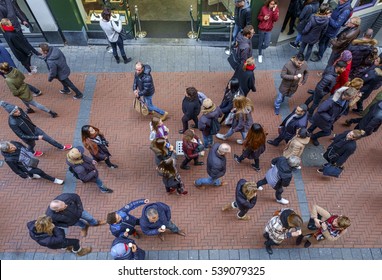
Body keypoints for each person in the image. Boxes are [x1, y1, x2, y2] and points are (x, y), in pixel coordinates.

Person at [0, 101, 72, 156]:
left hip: (35, 129)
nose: (18, 112)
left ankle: (61, 147)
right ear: (11, 113)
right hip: (28, 137)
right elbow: (21, 135)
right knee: (32, 145)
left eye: (17, 110)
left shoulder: (19, 110)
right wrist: (36, 137)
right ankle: (31, 152)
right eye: (15, 112)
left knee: (49, 139)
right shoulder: (12, 123)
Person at [27, 215, 92, 257]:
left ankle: (66, 248)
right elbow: (61, 239)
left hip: (53, 242)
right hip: (57, 242)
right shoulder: (47, 240)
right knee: (75, 241)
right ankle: (78, 251)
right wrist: (55, 228)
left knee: (63, 245)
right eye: (50, 223)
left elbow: (40, 223)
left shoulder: (32, 225)